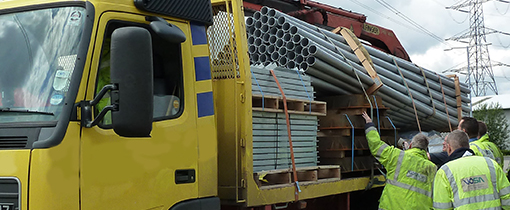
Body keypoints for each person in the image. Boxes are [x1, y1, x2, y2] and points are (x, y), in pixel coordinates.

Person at [362, 111, 437, 210]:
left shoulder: (397, 156)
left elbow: (376, 145)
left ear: (410, 145)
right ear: (426, 150)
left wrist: (369, 124)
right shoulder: (432, 168)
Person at [433, 130, 510, 209]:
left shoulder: (445, 172)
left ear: (449, 148)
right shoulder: (491, 164)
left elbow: (442, 207)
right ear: (468, 146)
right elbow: (507, 198)